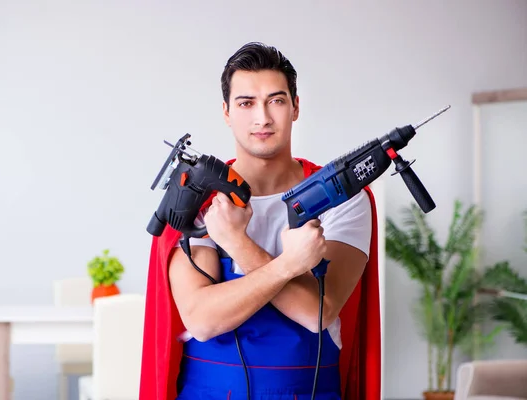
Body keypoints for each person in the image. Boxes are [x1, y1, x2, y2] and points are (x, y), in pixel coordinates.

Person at [140, 42, 381, 400]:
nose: (262, 118)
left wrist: (238, 243)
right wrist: (290, 266)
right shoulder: (201, 199)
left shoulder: (341, 198)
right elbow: (203, 320)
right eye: (246, 103)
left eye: (276, 100)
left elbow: (318, 311)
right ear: (226, 112)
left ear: (295, 107)